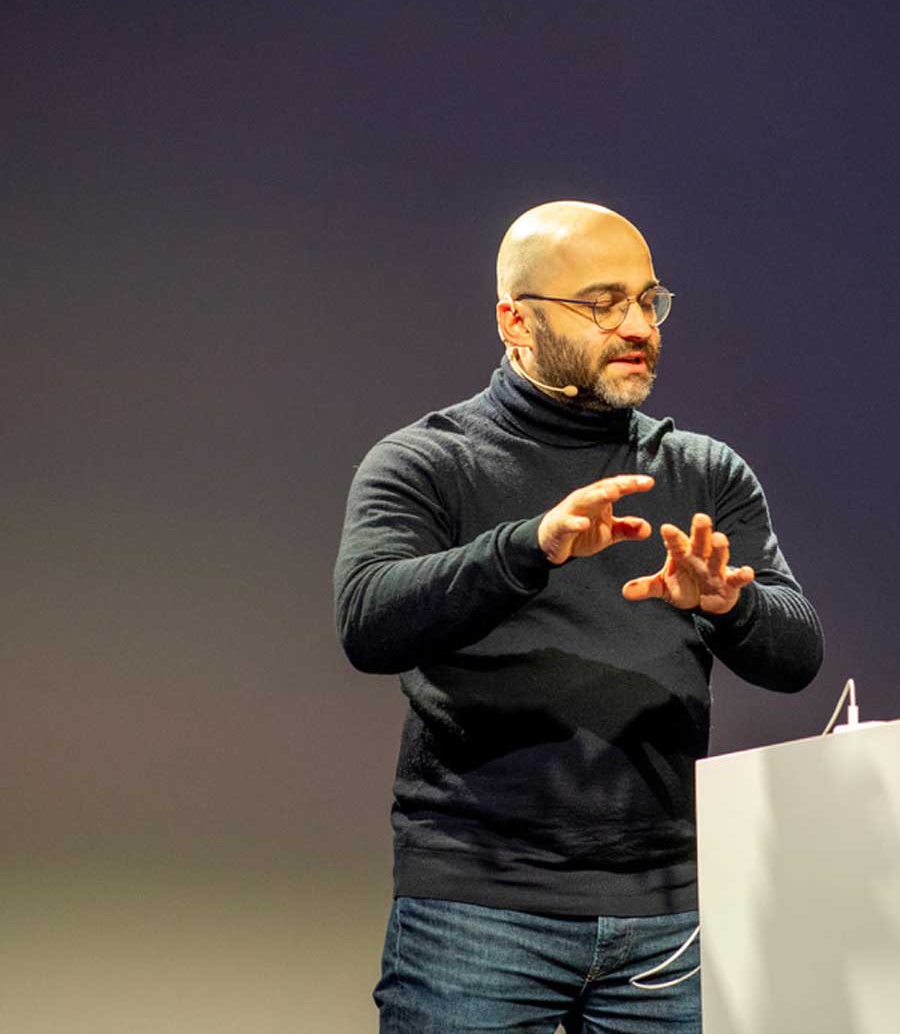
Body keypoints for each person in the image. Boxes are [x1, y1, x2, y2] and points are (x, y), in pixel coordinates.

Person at [333, 200, 824, 1032]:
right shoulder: (426, 462)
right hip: (478, 912)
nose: (637, 326)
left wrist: (729, 603)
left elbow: (798, 652)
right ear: (515, 322)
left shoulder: (704, 471)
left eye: (648, 300)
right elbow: (368, 620)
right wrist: (531, 547)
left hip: (667, 921)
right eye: (602, 304)